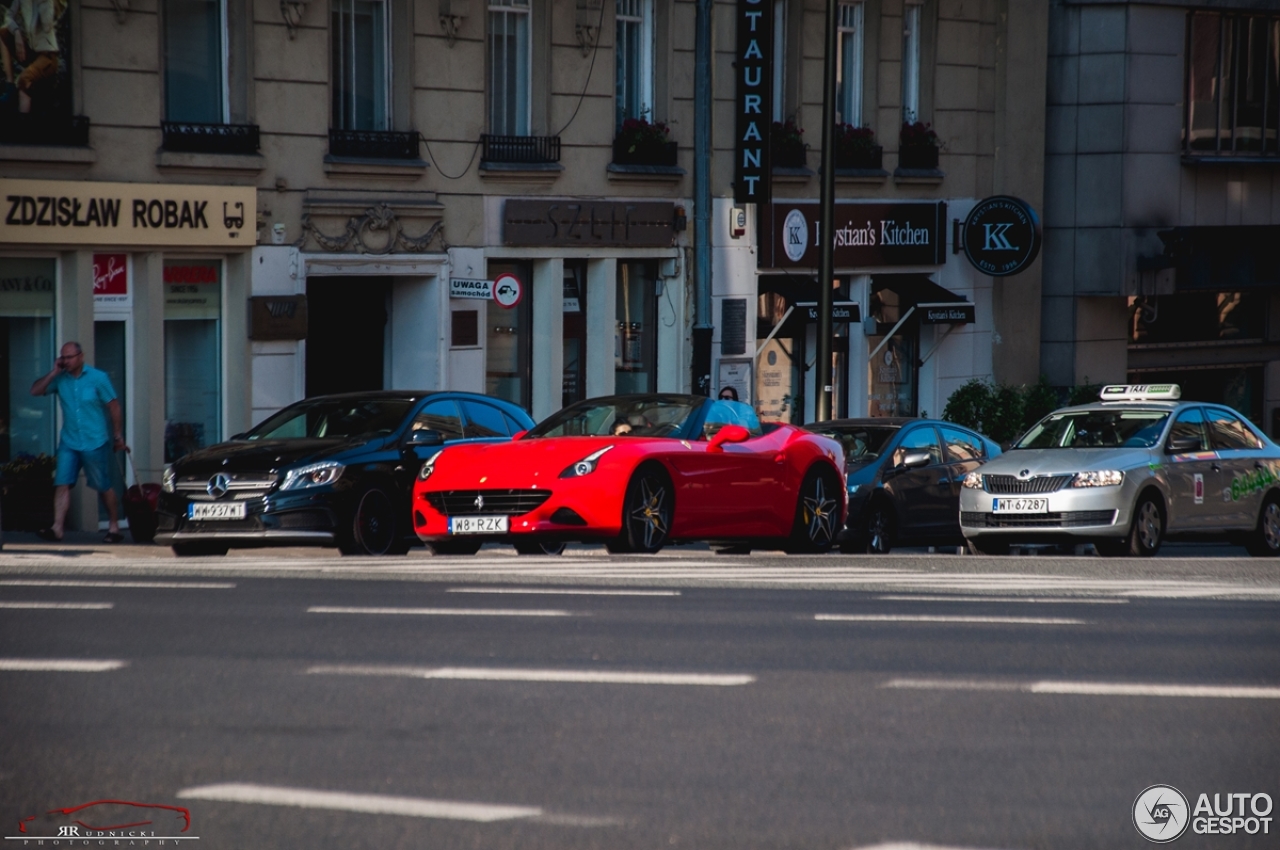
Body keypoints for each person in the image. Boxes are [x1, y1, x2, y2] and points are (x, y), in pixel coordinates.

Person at [30, 341, 126, 542]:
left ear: (80, 357)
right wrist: (53, 373)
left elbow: (114, 406)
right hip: (69, 441)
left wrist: (117, 435)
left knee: (102, 485)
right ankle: (57, 528)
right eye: (63, 357)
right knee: (62, 483)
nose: (65, 361)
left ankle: (114, 526)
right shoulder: (61, 379)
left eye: (69, 357)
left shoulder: (98, 378)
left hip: (94, 441)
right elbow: (35, 391)